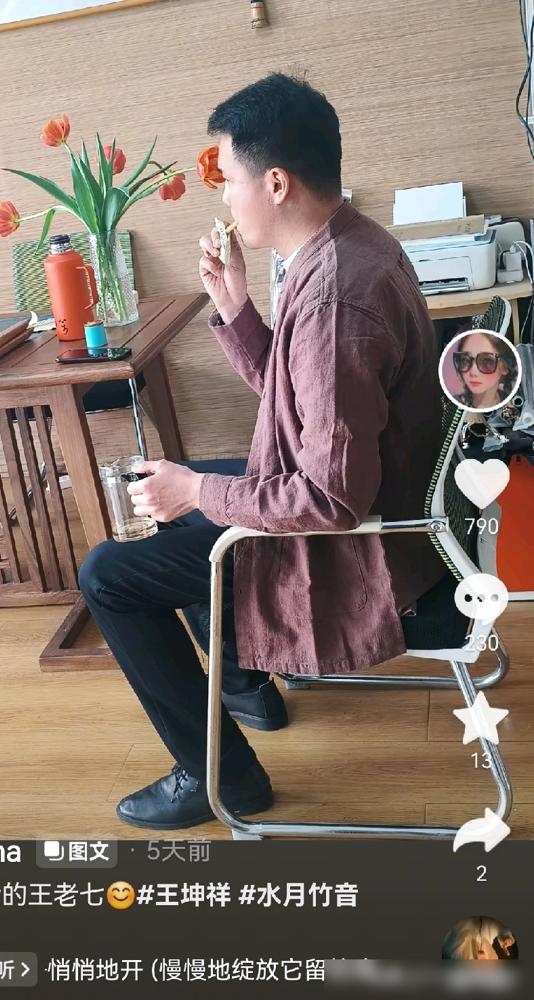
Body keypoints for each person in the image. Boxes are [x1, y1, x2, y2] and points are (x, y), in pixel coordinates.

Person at [79, 71, 447, 831]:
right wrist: (237, 308)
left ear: (275, 183)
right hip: (382, 501)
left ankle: (222, 777)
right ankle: (246, 684)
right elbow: (302, 397)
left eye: (229, 179)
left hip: (361, 548)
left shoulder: (336, 295)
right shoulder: (351, 244)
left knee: (110, 575)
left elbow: (330, 500)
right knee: (174, 502)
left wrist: (198, 493)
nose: (224, 197)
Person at [452, 330, 519, 410]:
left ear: (504, 367)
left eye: (487, 361)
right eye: (465, 360)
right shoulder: (452, 407)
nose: (473, 372)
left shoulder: (514, 404)